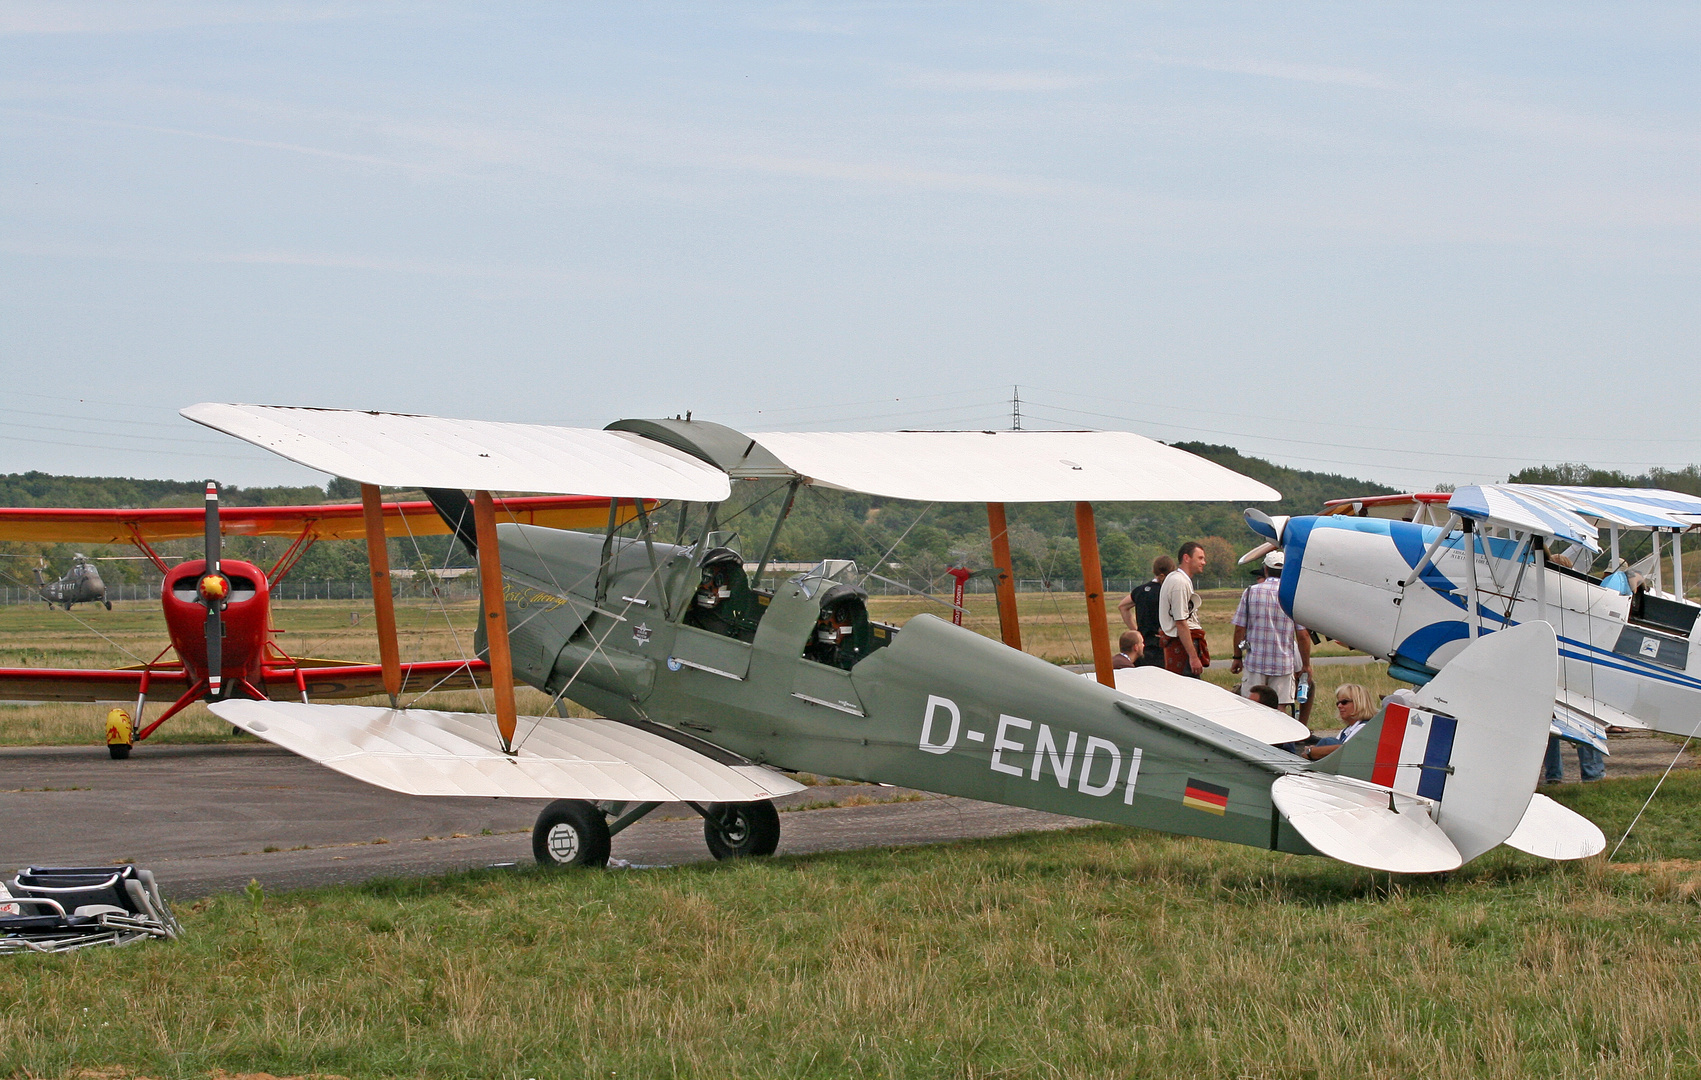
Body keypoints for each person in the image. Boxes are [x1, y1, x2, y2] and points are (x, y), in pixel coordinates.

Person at [1229, 551, 1313, 713]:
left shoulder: (1250, 592)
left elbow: (1240, 628)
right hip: (1283, 663)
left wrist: (1237, 656)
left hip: (1255, 662)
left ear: (1265, 570)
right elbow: (1302, 635)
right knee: (1280, 707)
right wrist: (1306, 664)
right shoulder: (1292, 595)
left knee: (1253, 707)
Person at [1159, 542, 1209, 678]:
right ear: (1186, 558)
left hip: (1182, 642)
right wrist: (1193, 657)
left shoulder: (1177, 579)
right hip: (1181, 646)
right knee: (1185, 689)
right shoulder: (1179, 583)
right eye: (1200, 558)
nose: (1204, 562)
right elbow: (1180, 621)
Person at [1119, 556, 1174, 668]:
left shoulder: (1140, 590)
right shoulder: (1166, 592)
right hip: (1160, 645)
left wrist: (1135, 631)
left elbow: (1123, 606)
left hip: (1142, 645)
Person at [1299, 683, 1376, 760]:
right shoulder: (1346, 731)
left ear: (1359, 703)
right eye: (1338, 703)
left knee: (1328, 742)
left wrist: (1312, 751)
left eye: (1344, 702)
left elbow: (1347, 750)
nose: (1339, 706)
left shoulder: (1364, 728)